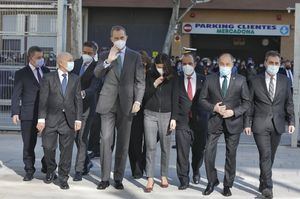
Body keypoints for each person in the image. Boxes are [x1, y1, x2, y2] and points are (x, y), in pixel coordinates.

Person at [94, 25, 145, 190]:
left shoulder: (134, 56)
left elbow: (140, 81)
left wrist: (138, 101)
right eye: (116, 38)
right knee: (106, 141)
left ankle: (118, 178)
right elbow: (97, 74)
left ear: (126, 38)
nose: (119, 41)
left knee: (123, 143)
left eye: (122, 38)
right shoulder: (103, 55)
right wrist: (109, 60)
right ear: (111, 39)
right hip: (107, 103)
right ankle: (104, 178)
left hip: (127, 105)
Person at [244, 51, 295, 199]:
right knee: (265, 154)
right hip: (260, 124)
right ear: (265, 63)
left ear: (279, 65)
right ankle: (268, 187)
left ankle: (263, 179)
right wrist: (247, 123)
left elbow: (289, 103)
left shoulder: (285, 81)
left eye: (276, 63)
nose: (273, 66)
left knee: (270, 155)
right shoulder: (255, 80)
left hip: (277, 124)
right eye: (271, 63)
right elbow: (250, 104)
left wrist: (291, 121)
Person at [200, 53, 251, 197]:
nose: (224, 67)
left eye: (227, 64)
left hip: (233, 122)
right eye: (222, 64)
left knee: (231, 155)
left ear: (232, 65)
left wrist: (233, 112)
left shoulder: (241, 80)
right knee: (208, 153)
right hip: (214, 121)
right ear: (218, 63)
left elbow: (247, 103)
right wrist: (213, 108)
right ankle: (212, 181)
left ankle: (227, 185)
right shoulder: (210, 79)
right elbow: (201, 100)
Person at [36, 52, 83, 190]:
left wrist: (78, 119)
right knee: (48, 147)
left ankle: (63, 177)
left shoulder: (75, 78)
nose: (71, 62)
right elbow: (43, 99)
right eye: (69, 60)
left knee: (66, 151)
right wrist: (41, 119)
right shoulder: (48, 77)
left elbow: (78, 100)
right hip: (50, 118)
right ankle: (51, 169)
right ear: (61, 62)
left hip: (68, 120)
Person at [11, 46, 49, 181]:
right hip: (28, 114)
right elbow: (16, 94)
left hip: (45, 114)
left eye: (42, 57)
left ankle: (48, 167)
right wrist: (15, 112)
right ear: (30, 58)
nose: (41, 60)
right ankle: (29, 170)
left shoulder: (46, 71)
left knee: (49, 144)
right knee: (28, 144)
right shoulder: (21, 73)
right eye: (38, 58)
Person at [143, 53, 177, 193]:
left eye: (163, 67)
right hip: (150, 114)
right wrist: (154, 84)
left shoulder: (173, 77)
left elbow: (175, 98)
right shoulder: (150, 75)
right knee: (150, 146)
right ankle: (150, 177)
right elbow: (144, 94)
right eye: (158, 67)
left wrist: (174, 117)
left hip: (167, 115)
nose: (160, 69)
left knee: (165, 146)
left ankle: (164, 175)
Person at [175, 53, 208, 190]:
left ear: (194, 64)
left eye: (189, 63)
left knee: (198, 150)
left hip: (200, 121)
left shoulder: (204, 80)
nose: (186, 66)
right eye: (184, 64)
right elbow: (173, 101)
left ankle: (196, 170)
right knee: (182, 152)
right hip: (182, 121)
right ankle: (183, 178)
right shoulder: (176, 80)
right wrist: (173, 118)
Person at [71, 41, 100, 181]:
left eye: (89, 53)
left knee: (82, 138)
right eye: (84, 52)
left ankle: (79, 170)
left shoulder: (97, 68)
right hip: (71, 108)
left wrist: (82, 93)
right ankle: (86, 161)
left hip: (86, 108)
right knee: (73, 138)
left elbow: (94, 88)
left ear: (94, 54)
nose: (86, 55)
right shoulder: (75, 63)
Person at [128, 50, 151, 179]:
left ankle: (145, 164)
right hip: (134, 111)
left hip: (149, 111)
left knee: (150, 141)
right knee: (134, 142)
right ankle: (136, 169)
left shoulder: (152, 75)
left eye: (143, 64)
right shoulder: (131, 74)